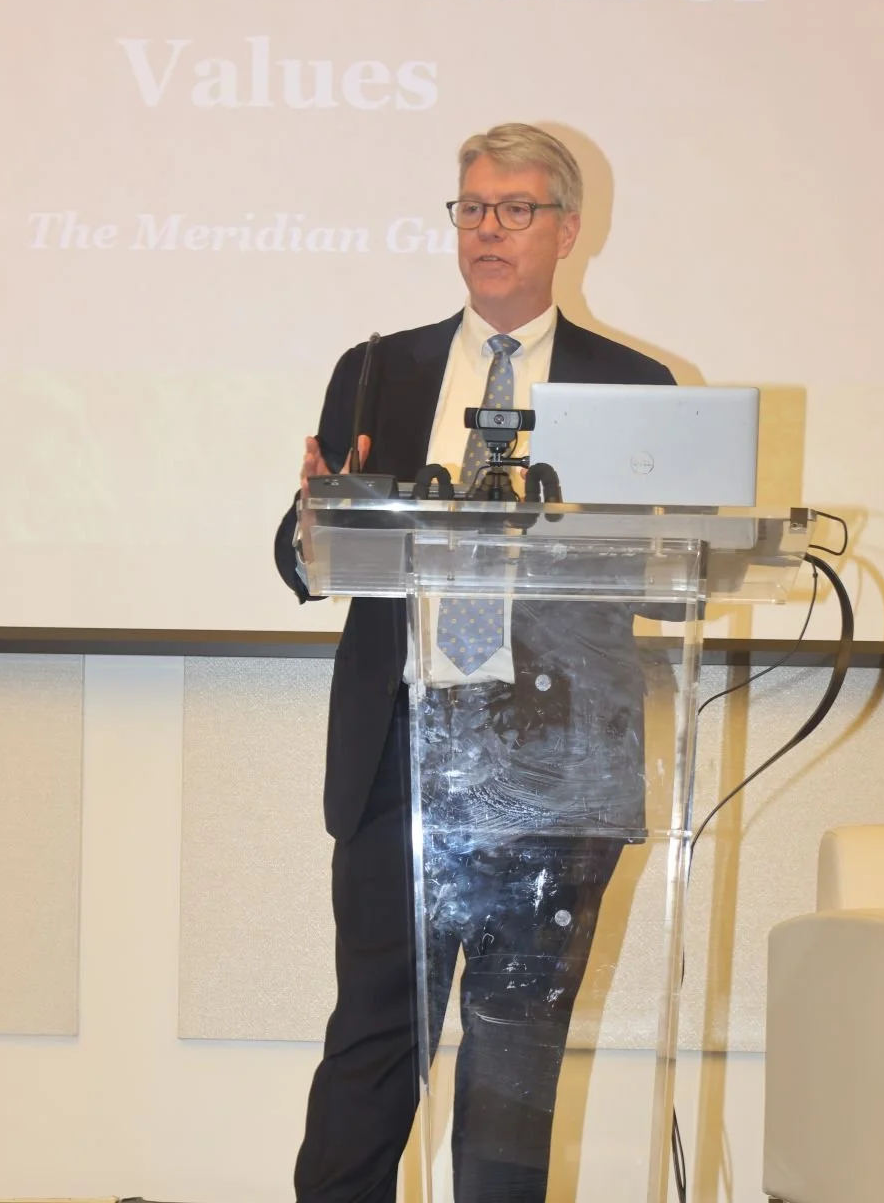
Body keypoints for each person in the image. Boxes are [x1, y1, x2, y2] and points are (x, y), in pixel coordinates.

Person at [275, 123, 675, 1203]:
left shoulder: (630, 387)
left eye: (515, 209)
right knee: (371, 1045)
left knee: (512, 1069)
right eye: (472, 209)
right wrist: (314, 521)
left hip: (555, 766)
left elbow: (653, 576)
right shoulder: (377, 372)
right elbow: (303, 557)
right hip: (401, 752)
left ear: (566, 230)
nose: (488, 230)